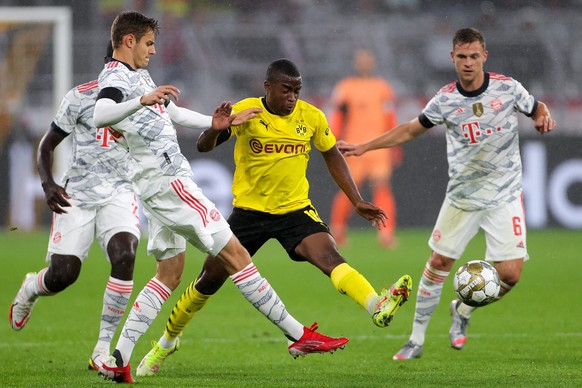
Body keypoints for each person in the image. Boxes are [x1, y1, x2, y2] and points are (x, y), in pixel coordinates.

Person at [92, 11, 349, 383]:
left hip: (152, 185)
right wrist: (142, 100)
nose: (153, 50)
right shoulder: (116, 76)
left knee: (169, 273)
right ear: (128, 41)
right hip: (169, 180)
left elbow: (172, 111)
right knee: (236, 255)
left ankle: (119, 357)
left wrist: (214, 125)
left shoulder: (137, 75)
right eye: (149, 43)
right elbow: (102, 113)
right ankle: (298, 335)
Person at [135, 58, 413, 377]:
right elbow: (203, 145)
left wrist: (358, 200)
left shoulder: (311, 116)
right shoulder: (247, 110)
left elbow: (332, 153)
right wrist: (216, 128)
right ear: (268, 87)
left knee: (330, 256)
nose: (293, 97)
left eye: (297, 90)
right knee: (208, 280)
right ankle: (166, 343)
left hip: (294, 211)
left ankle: (375, 305)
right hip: (248, 215)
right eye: (286, 90)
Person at [337, 27, 556, 360]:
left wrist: (543, 118)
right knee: (438, 262)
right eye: (462, 57)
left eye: (474, 56)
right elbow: (411, 128)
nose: (468, 63)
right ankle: (416, 339)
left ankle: (463, 311)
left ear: (484, 56)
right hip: (462, 197)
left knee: (510, 274)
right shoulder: (446, 99)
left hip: (504, 195)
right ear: (452, 57)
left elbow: (538, 108)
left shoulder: (508, 88)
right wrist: (366, 146)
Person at [8, 44, 140, 369]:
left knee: (125, 254)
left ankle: (102, 350)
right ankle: (31, 287)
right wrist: (48, 184)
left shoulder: (144, 99)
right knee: (64, 275)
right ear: (109, 63)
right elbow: (47, 145)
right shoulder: (80, 96)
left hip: (120, 193)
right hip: (77, 195)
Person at [328, 48, 400, 248]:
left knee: (382, 186)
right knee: (349, 189)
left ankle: (386, 233)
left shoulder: (382, 87)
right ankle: (338, 230)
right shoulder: (346, 87)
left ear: (373, 63)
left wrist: (395, 144)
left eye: (367, 60)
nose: (364, 64)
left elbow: (390, 118)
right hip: (353, 146)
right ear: (356, 63)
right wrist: (333, 140)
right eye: (361, 61)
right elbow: (338, 117)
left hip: (378, 147)